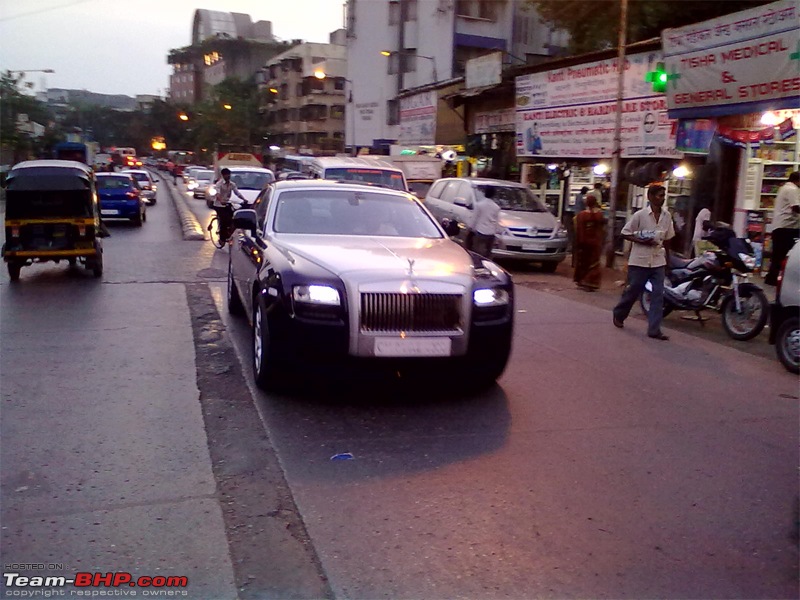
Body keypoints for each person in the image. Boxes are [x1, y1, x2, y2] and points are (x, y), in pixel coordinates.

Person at [612, 184, 675, 341]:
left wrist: (668, 259)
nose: (662, 198)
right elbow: (625, 233)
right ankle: (619, 313)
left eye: (663, 195)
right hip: (639, 260)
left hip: (658, 261)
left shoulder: (667, 216)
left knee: (658, 295)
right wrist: (641, 240)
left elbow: (668, 239)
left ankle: (654, 329)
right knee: (633, 291)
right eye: (659, 195)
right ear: (650, 197)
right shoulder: (640, 215)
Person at [764, 171, 800, 286]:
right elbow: (795, 207)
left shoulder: (784, 188)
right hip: (787, 227)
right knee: (785, 254)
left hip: (781, 226)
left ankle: (772, 278)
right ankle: (775, 279)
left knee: (778, 254)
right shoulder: (792, 189)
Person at [573, 193, 606, 291]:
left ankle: (583, 281)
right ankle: (592, 282)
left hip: (584, 242)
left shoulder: (582, 215)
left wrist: (579, 241)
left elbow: (579, 229)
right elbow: (602, 229)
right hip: (596, 242)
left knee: (583, 262)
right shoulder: (599, 215)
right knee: (594, 263)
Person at [211, 167, 246, 244]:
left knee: (232, 218)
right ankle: (222, 238)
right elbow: (217, 194)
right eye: (227, 175)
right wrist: (221, 201)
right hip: (219, 205)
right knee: (224, 221)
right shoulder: (219, 184)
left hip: (227, 203)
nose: (228, 176)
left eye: (229, 175)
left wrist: (244, 199)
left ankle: (228, 233)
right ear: (223, 175)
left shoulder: (232, 184)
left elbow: (237, 193)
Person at [468, 186, 501, 258]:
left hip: (480, 231)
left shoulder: (479, 205)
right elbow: (496, 221)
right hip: (491, 233)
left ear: (485, 193)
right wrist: (497, 232)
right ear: (493, 195)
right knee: (487, 254)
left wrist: (470, 228)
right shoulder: (496, 207)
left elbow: (474, 218)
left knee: (477, 252)